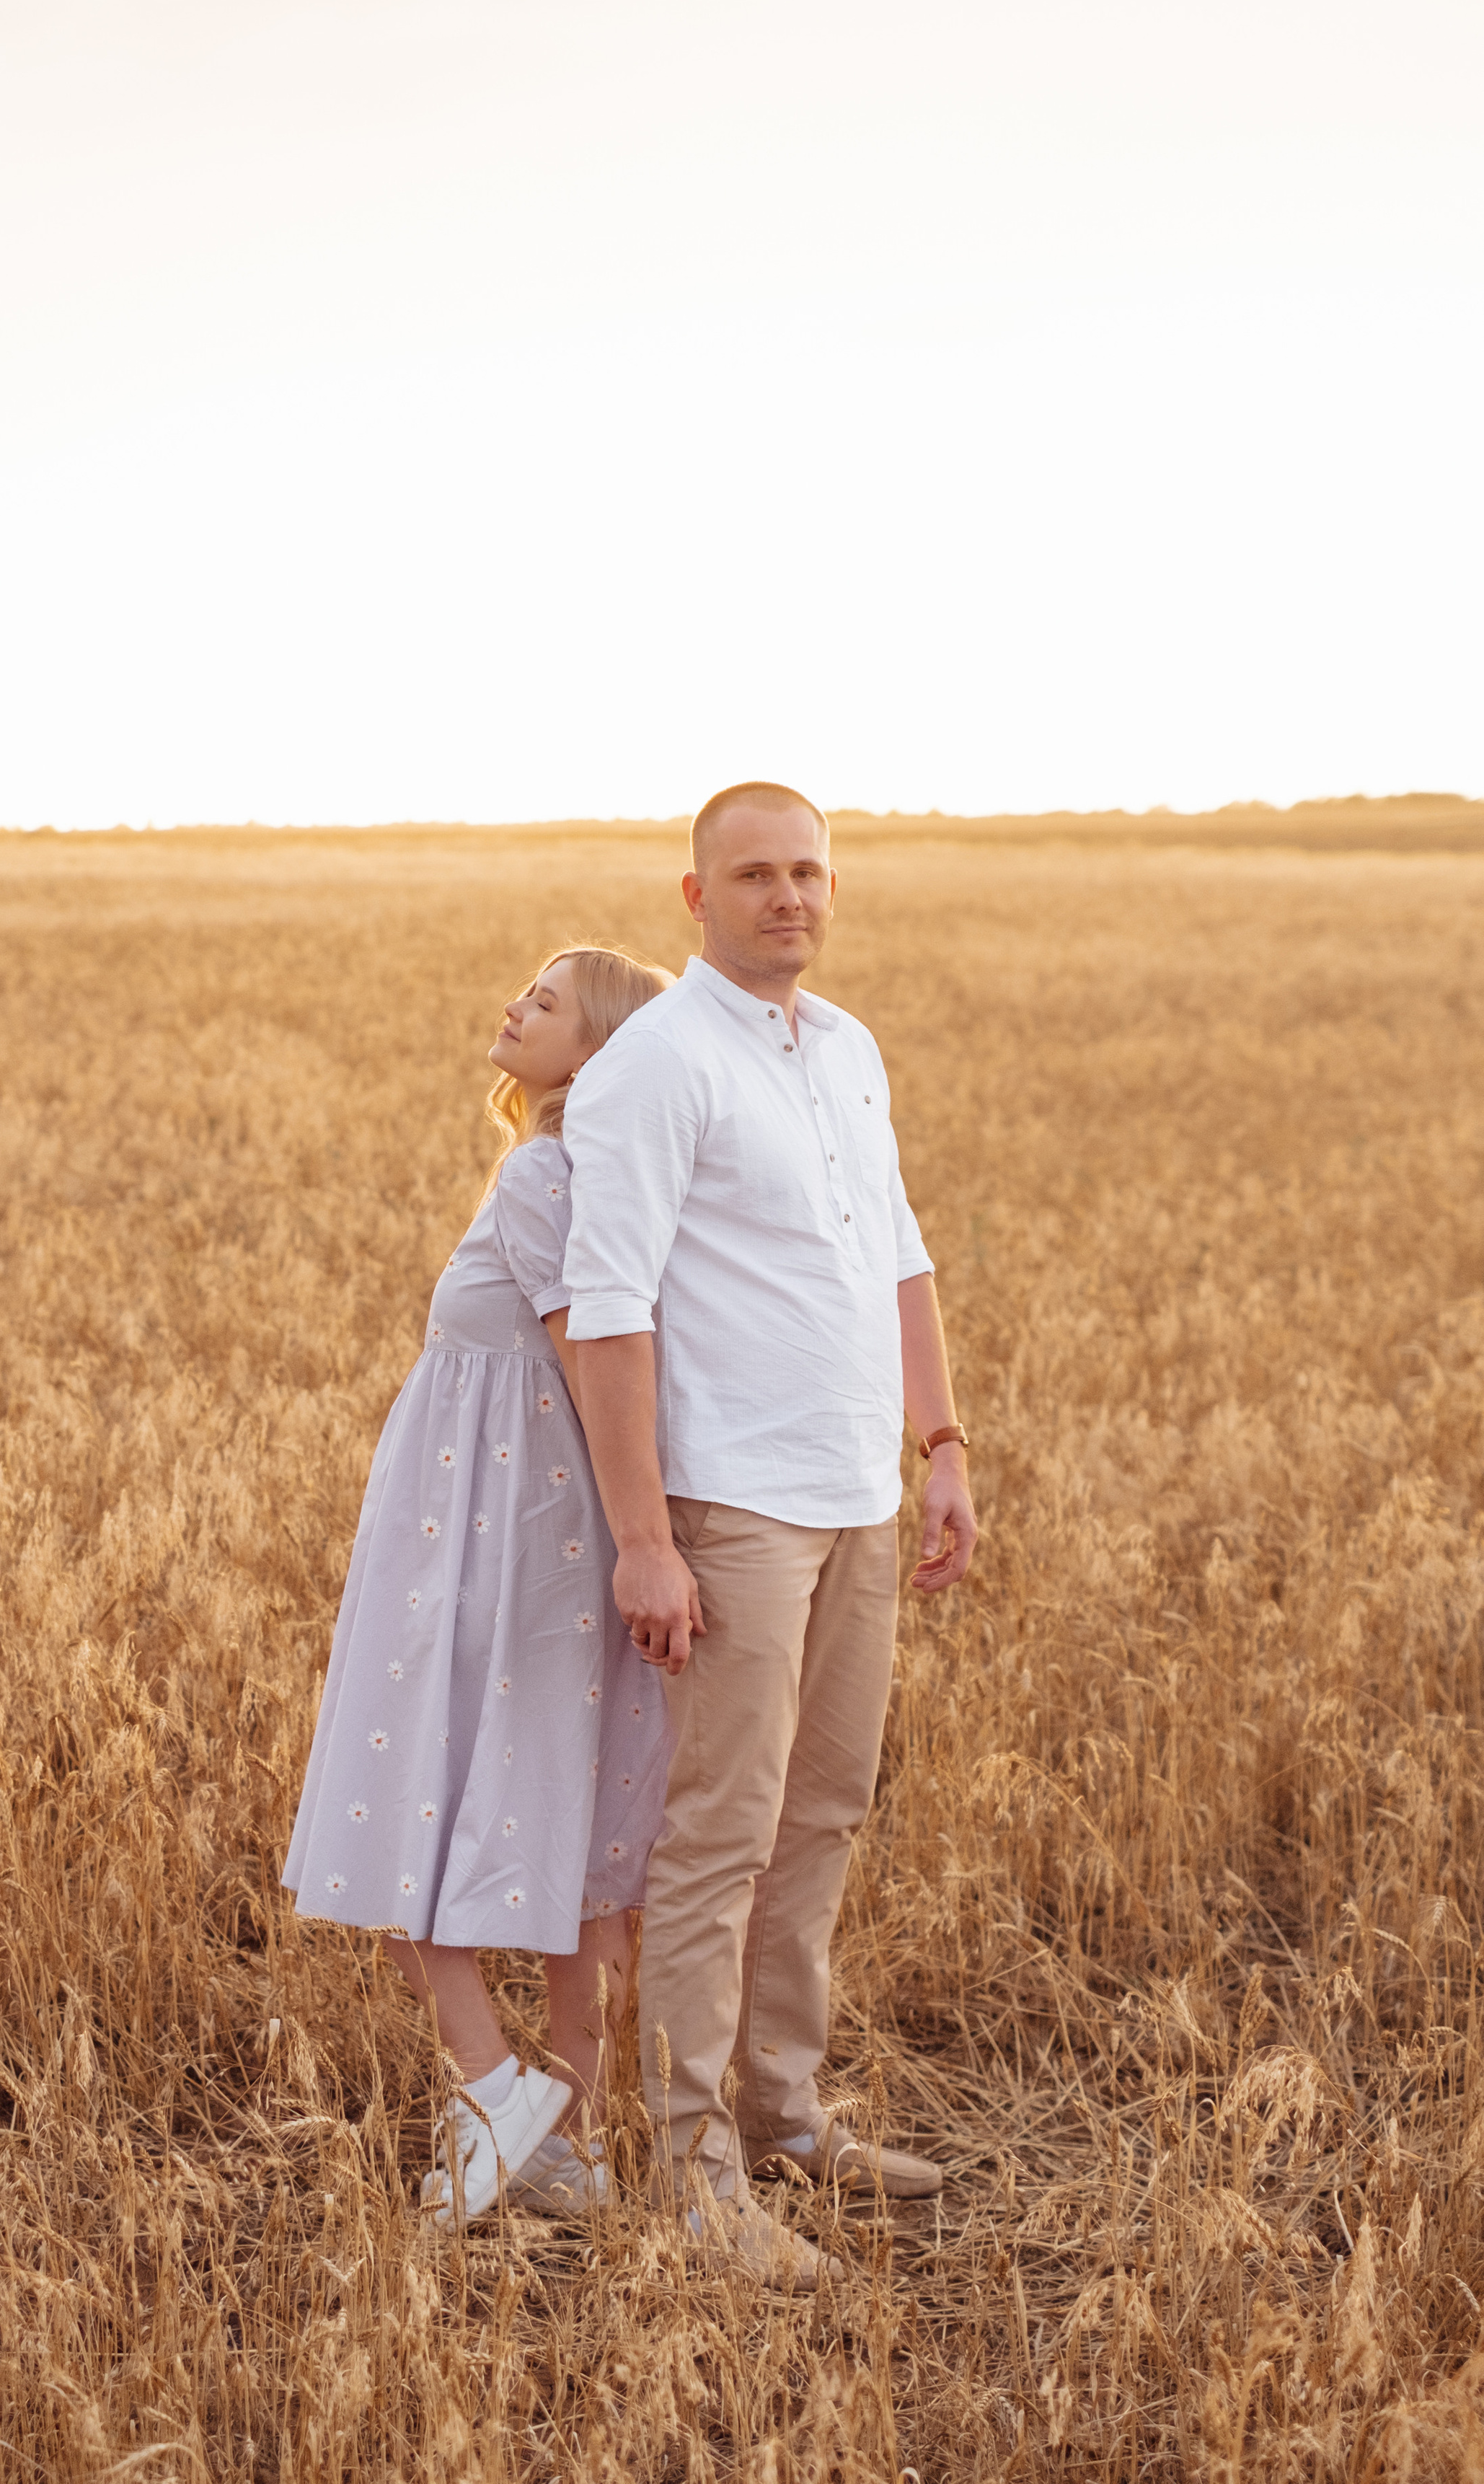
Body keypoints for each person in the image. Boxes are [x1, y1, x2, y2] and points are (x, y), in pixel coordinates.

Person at [561, 783, 978, 2289]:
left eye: (806, 871)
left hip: (857, 1491)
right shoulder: (655, 1069)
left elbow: (902, 1261)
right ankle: (689, 2182)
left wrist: (937, 1446)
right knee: (718, 1838)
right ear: (694, 898)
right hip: (728, 1510)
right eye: (753, 874)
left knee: (824, 1814)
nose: (786, 897)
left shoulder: (846, 1047)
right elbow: (604, 1314)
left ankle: (784, 2116)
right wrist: (640, 1539)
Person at [282, 943, 674, 2226]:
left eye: (548, 1001)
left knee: (397, 1797)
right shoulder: (582, 1176)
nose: (517, 1003)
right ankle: (577, 2146)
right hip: (517, 1528)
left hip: (495, 1539)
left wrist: (634, 1540)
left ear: (596, 1051)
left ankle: (498, 2085)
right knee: (574, 1850)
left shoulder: (539, 1177)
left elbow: (589, 1360)